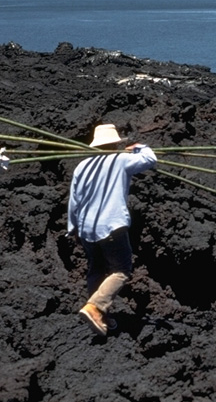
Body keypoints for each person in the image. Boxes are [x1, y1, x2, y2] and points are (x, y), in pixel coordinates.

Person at [67, 123, 157, 336]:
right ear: (115, 143)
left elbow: (74, 200)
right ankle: (95, 307)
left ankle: (100, 315)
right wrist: (139, 147)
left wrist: (72, 227)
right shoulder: (120, 159)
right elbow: (150, 160)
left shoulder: (82, 166)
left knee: (96, 269)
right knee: (121, 270)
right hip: (111, 227)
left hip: (87, 228)